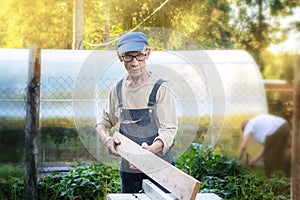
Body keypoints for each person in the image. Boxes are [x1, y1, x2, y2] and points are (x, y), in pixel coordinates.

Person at [95, 32, 178, 193]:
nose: (134, 63)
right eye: (128, 57)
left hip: (160, 169)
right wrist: (107, 140)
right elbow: (103, 122)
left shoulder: (160, 88)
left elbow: (169, 130)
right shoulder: (118, 89)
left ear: (148, 54)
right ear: (120, 57)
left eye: (139, 56)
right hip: (129, 172)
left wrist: (151, 150)